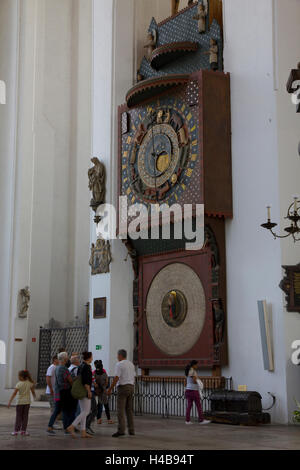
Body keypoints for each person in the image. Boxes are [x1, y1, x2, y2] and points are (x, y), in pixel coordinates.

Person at [107, 349, 135, 438]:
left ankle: (121, 430)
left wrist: (110, 389)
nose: (117, 357)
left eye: (117, 355)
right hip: (131, 387)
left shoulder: (119, 364)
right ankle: (131, 430)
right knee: (129, 410)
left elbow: (116, 377)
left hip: (123, 388)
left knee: (120, 410)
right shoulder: (131, 364)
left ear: (120, 355)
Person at [47, 352, 76, 435]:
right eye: (67, 358)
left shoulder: (57, 368)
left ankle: (52, 426)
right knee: (65, 410)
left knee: (58, 410)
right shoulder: (64, 369)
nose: (67, 359)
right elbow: (70, 380)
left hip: (58, 392)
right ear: (64, 359)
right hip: (64, 392)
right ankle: (66, 428)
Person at [67, 351, 93, 439]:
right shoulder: (87, 367)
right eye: (91, 357)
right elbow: (86, 381)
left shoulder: (80, 366)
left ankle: (83, 432)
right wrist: (89, 391)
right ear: (89, 358)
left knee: (83, 411)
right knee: (86, 411)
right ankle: (72, 426)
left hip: (79, 391)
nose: (92, 358)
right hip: (84, 391)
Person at [8, 370, 36, 436]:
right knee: (25, 417)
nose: (18, 377)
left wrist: (10, 401)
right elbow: (33, 391)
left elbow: (14, 393)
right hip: (27, 403)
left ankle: (16, 431)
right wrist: (34, 396)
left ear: (21, 377)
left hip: (19, 403)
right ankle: (23, 431)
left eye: (19, 376)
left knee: (18, 417)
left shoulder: (19, 384)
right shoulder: (29, 383)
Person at [184, 360, 210, 425]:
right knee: (198, 405)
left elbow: (186, 381)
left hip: (188, 390)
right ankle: (201, 420)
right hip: (193, 390)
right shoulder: (192, 371)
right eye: (196, 365)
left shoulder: (187, 371)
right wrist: (199, 382)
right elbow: (194, 381)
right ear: (194, 365)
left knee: (189, 405)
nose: (197, 366)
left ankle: (187, 420)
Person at [94, 360, 113, 425]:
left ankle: (98, 419)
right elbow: (107, 382)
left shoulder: (94, 373)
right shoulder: (104, 374)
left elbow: (93, 381)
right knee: (106, 405)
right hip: (103, 391)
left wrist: (96, 385)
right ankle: (109, 419)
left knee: (99, 405)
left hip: (98, 391)